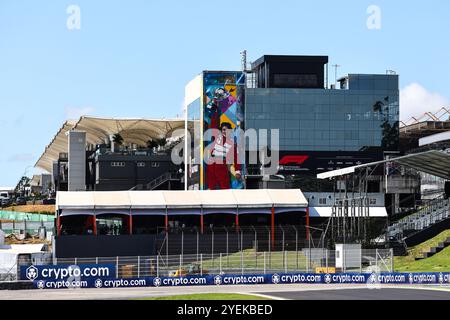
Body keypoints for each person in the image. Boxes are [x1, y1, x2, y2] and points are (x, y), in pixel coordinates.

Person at [206, 122, 241, 190]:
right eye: (223, 130)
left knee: (224, 185)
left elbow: (236, 157)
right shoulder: (217, 137)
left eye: (227, 130)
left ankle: (225, 199)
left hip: (221, 164)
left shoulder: (232, 143)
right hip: (212, 163)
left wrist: (237, 171)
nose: (225, 131)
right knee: (211, 186)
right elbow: (214, 126)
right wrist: (215, 113)